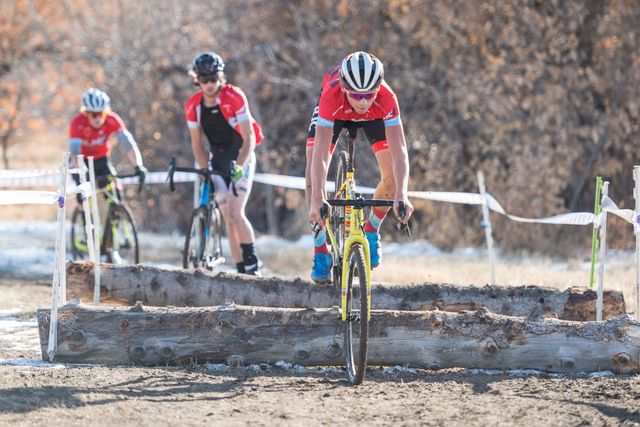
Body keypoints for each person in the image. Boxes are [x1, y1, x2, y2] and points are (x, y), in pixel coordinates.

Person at [306, 51, 414, 283]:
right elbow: (321, 154)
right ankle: (320, 245)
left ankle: (372, 228)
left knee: (392, 180)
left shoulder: (386, 98)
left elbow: (400, 152)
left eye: (369, 94)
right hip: (336, 112)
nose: (363, 101)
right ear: (345, 87)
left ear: (378, 88)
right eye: (357, 94)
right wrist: (317, 195)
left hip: (375, 117)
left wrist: (401, 194)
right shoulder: (331, 95)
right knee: (312, 174)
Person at [184, 52, 264, 276]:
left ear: (221, 77)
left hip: (241, 156)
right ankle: (240, 271)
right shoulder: (193, 106)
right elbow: (197, 144)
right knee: (227, 216)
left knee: (237, 212)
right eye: (204, 79)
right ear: (197, 80)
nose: (209, 84)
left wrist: (239, 165)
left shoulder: (234, 97)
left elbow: (250, 139)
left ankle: (252, 264)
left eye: (213, 78)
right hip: (217, 159)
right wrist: (204, 170)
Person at [68, 88, 147, 199]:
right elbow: (75, 153)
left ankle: (115, 212)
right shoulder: (77, 123)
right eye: (93, 115)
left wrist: (138, 166)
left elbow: (129, 145)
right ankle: (82, 211)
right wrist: (83, 170)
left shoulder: (112, 119)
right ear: (86, 113)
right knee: (83, 198)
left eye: (101, 113)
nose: (98, 118)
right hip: (81, 161)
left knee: (116, 196)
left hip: (101, 159)